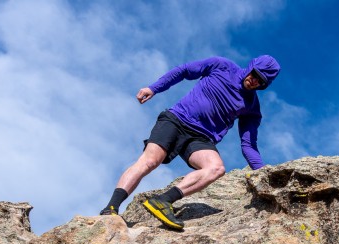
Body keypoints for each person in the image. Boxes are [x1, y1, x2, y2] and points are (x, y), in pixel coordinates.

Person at [100, 55, 281, 230]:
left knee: (216, 168)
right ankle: (111, 208)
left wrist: (263, 174)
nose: (255, 81)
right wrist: (153, 88)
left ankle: (163, 201)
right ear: (251, 67)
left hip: (200, 138)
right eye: (255, 74)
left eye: (261, 81)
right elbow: (184, 70)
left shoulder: (251, 107)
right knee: (150, 161)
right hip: (176, 120)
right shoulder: (221, 66)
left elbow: (248, 144)